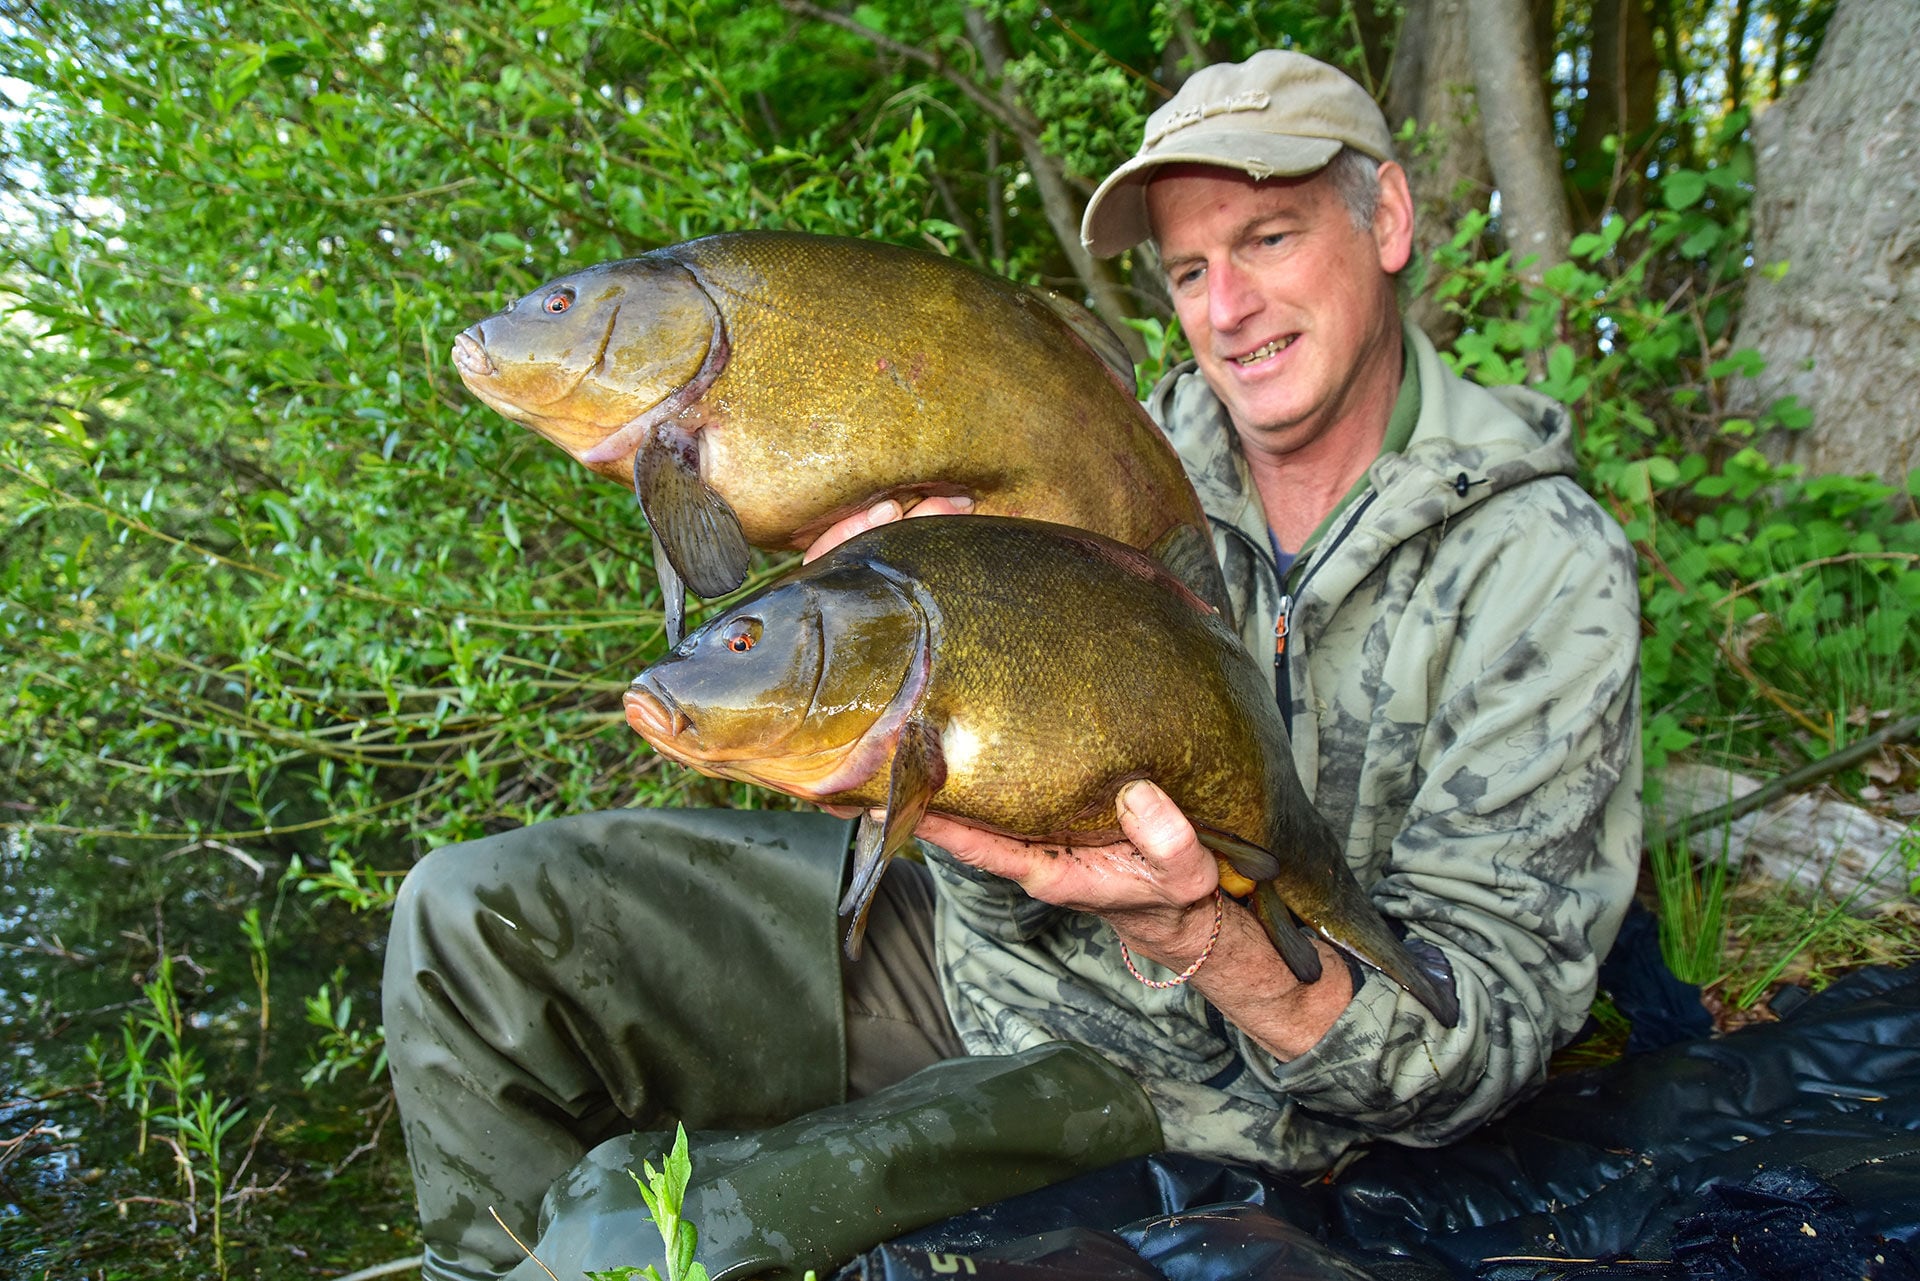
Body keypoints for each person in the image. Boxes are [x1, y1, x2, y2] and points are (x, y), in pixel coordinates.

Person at [383, 48, 1643, 1281]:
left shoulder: (1539, 566)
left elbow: (1478, 1045)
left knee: (667, 1243)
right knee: (471, 917)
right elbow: (983, 816)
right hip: (968, 944)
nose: (1226, 308)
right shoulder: (1106, 445)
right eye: (1188, 268)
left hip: (1193, 1081)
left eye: (1268, 239)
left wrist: (1207, 939)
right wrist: (894, 642)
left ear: (1390, 220)